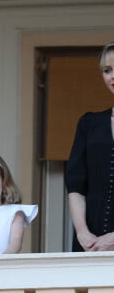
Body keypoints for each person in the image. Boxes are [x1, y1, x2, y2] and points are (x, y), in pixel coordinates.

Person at [66, 41, 114, 252]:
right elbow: (76, 186)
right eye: (107, 70)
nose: (112, 76)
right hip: (90, 246)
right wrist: (82, 232)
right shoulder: (89, 123)